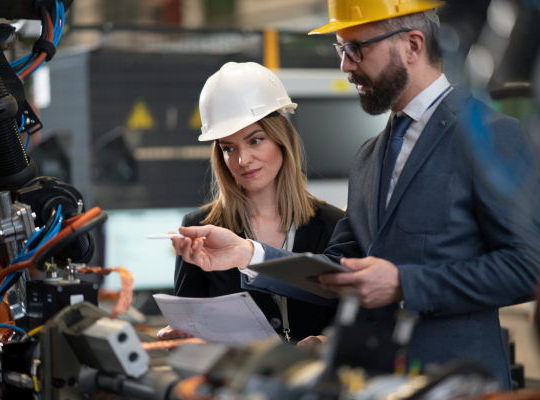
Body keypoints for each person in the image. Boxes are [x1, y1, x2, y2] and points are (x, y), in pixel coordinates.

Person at [170, 0, 540, 388]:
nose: (345, 65)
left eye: (356, 48)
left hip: (459, 386)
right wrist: (248, 254)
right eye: (341, 49)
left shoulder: (490, 135)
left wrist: (403, 284)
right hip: (374, 385)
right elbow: (333, 271)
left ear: (412, 45)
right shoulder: (367, 159)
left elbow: (527, 267)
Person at [157, 62, 344, 346]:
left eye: (255, 141)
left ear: (282, 139)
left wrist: (328, 343)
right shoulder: (199, 228)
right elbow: (189, 326)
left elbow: (356, 315)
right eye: (228, 148)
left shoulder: (334, 225)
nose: (242, 160)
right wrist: (184, 341)